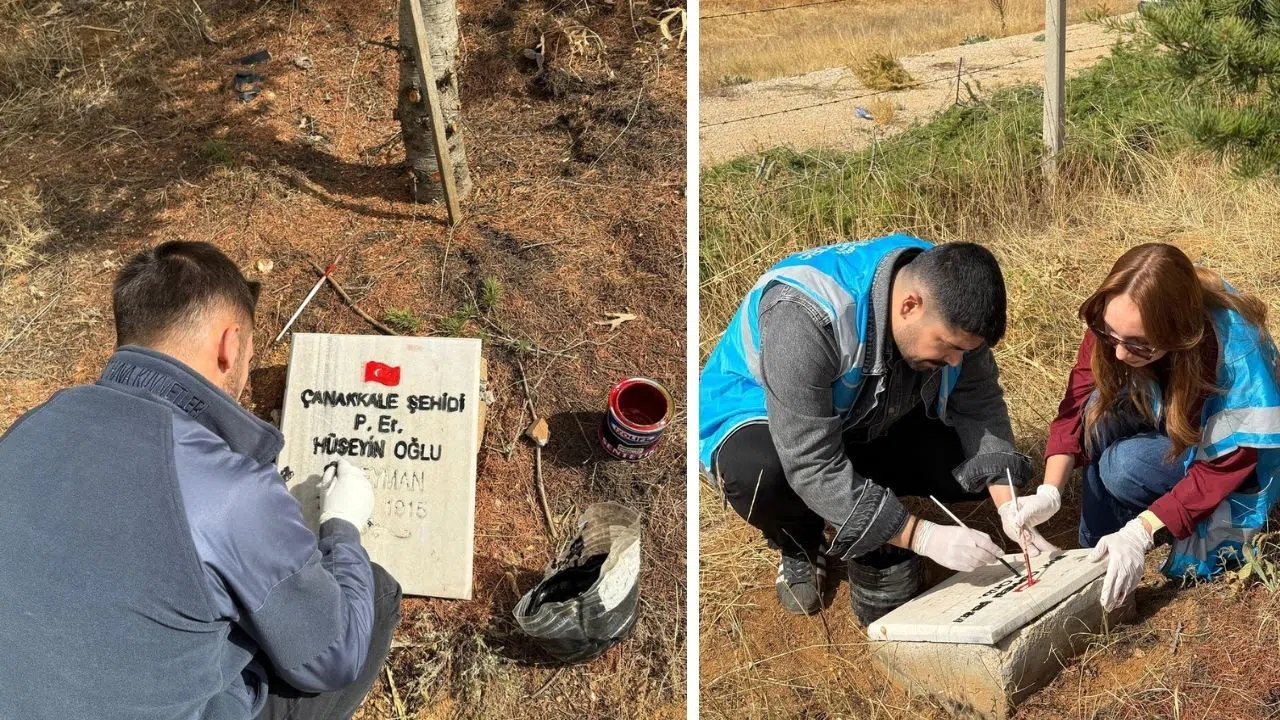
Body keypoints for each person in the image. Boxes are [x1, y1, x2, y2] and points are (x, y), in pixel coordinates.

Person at [0, 241, 402, 720]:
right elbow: (332, 658)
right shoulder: (230, 490)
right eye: (251, 356)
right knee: (371, 593)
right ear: (231, 344)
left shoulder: (30, 427)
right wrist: (341, 524)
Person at [699, 234, 1050, 622]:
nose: (955, 361)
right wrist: (921, 536)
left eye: (963, 352)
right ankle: (800, 538)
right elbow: (809, 460)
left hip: (860, 413)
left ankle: (856, 499)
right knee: (761, 474)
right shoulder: (804, 317)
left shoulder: (954, 298)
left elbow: (979, 398)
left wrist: (1009, 505)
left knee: (962, 469)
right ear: (909, 306)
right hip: (768, 420)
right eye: (948, 347)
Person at [1010, 243, 1280, 612]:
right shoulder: (1119, 320)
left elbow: (1229, 464)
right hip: (1166, 412)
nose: (1119, 353)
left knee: (1122, 466)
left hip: (1224, 459)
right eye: (1110, 335)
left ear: (1180, 335)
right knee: (1096, 414)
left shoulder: (1233, 355)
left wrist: (1142, 531)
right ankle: (1095, 558)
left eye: (1139, 345)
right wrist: (1048, 491)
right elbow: (1075, 403)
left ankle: (1122, 546)